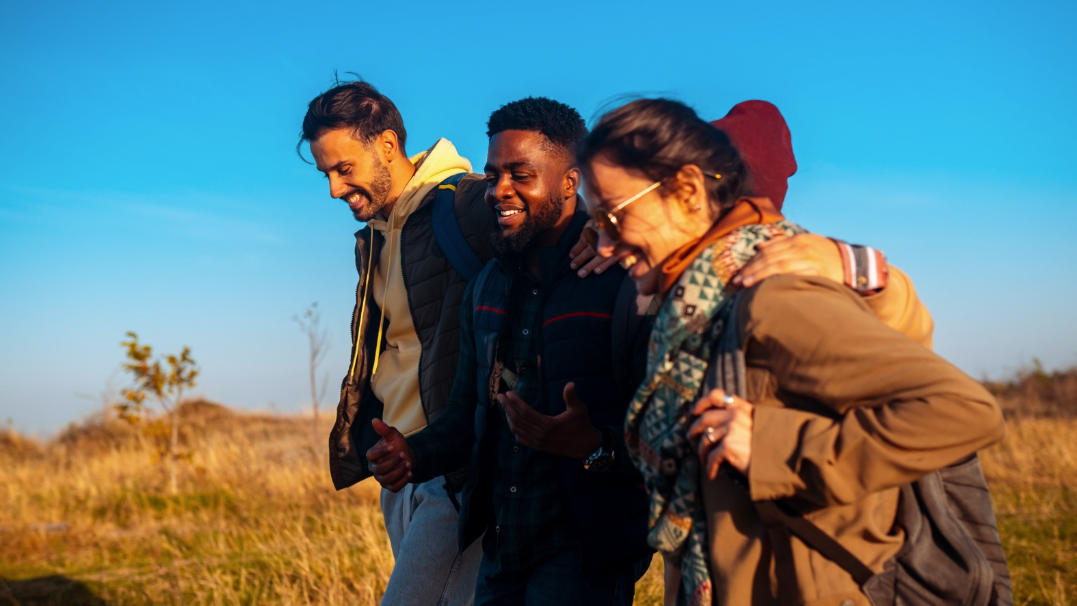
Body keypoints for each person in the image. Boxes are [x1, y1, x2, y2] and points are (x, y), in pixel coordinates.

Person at [576, 98, 1005, 606]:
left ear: (689, 190)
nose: (602, 243)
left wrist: (775, 448)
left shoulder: (770, 293)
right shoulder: (691, 311)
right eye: (594, 221)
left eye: (612, 215)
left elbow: (962, 410)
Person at [365, 97, 653, 606]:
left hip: (586, 557)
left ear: (570, 180)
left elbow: (665, 439)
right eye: (495, 172)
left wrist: (592, 445)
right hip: (502, 555)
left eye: (520, 174)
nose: (499, 190)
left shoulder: (621, 284)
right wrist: (414, 454)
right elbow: (463, 420)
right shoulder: (486, 290)